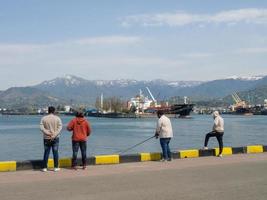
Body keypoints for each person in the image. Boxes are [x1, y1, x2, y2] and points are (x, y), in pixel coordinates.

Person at [40, 106, 62, 172]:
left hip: (46, 138)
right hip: (55, 138)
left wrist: (48, 133)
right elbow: (60, 128)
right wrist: (54, 134)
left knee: (46, 152)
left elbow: (41, 127)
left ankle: (44, 167)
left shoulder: (44, 118)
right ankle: (56, 167)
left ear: (48, 111)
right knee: (55, 152)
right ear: (54, 111)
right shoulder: (57, 118)